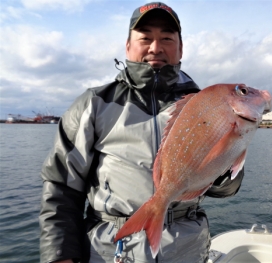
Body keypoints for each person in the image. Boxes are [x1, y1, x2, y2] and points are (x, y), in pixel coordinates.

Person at [39, 2, 244, 263]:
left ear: (180, 47)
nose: (155, 48)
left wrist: (227, 154)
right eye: (145, 38)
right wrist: (60, 255)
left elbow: (224, 190)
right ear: (128, 46)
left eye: (167, 38)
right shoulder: (94, 104)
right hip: (111, 250)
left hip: (188, 249)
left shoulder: (206, 105)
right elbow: (60, 187)